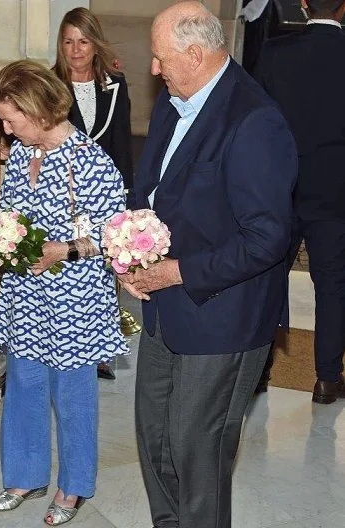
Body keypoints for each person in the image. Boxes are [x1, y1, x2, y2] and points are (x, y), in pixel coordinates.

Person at [119, 3, 297, 527]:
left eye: (160, 58)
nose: (153, 69)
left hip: (224, 315)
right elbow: (150, 191)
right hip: (161, 308)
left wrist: (175, 270)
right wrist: (130, 249)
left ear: (195, 54)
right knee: (155, 438)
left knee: (198, 451)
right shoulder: (176, 102)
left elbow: (268, 238)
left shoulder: (255, 120)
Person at [0, 59, 128, 526]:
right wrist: (6, 242)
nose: (4, 128)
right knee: (23, 385)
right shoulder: (22, 155)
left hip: (76, 298)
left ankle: (73, 486)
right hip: (26, 293)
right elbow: (9, 217)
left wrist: (62, 250)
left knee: (72, 394)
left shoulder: (90, 161)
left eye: (11, 118)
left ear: (38, 110)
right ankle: (25, 476)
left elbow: (115, 237)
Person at [253, 0, 345, 403]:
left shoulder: (275, 51)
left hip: (282, 189)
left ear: (304, 4)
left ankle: (257, 373)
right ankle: (327, 379)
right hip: (337, 193)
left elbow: (254, 123)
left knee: (267, 281)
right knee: (333, 287)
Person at [54, 6, 134, 381]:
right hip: (63, 191)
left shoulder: (114, 82)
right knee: (71, 265)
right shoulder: (51, 85)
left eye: (83, 41)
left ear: (95, 43)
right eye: (68, 41)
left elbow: (121, 140)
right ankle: (67, 339)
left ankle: (100, 349)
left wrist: (125, 196)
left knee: (104, 268)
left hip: (103, 190)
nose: (76, 50)